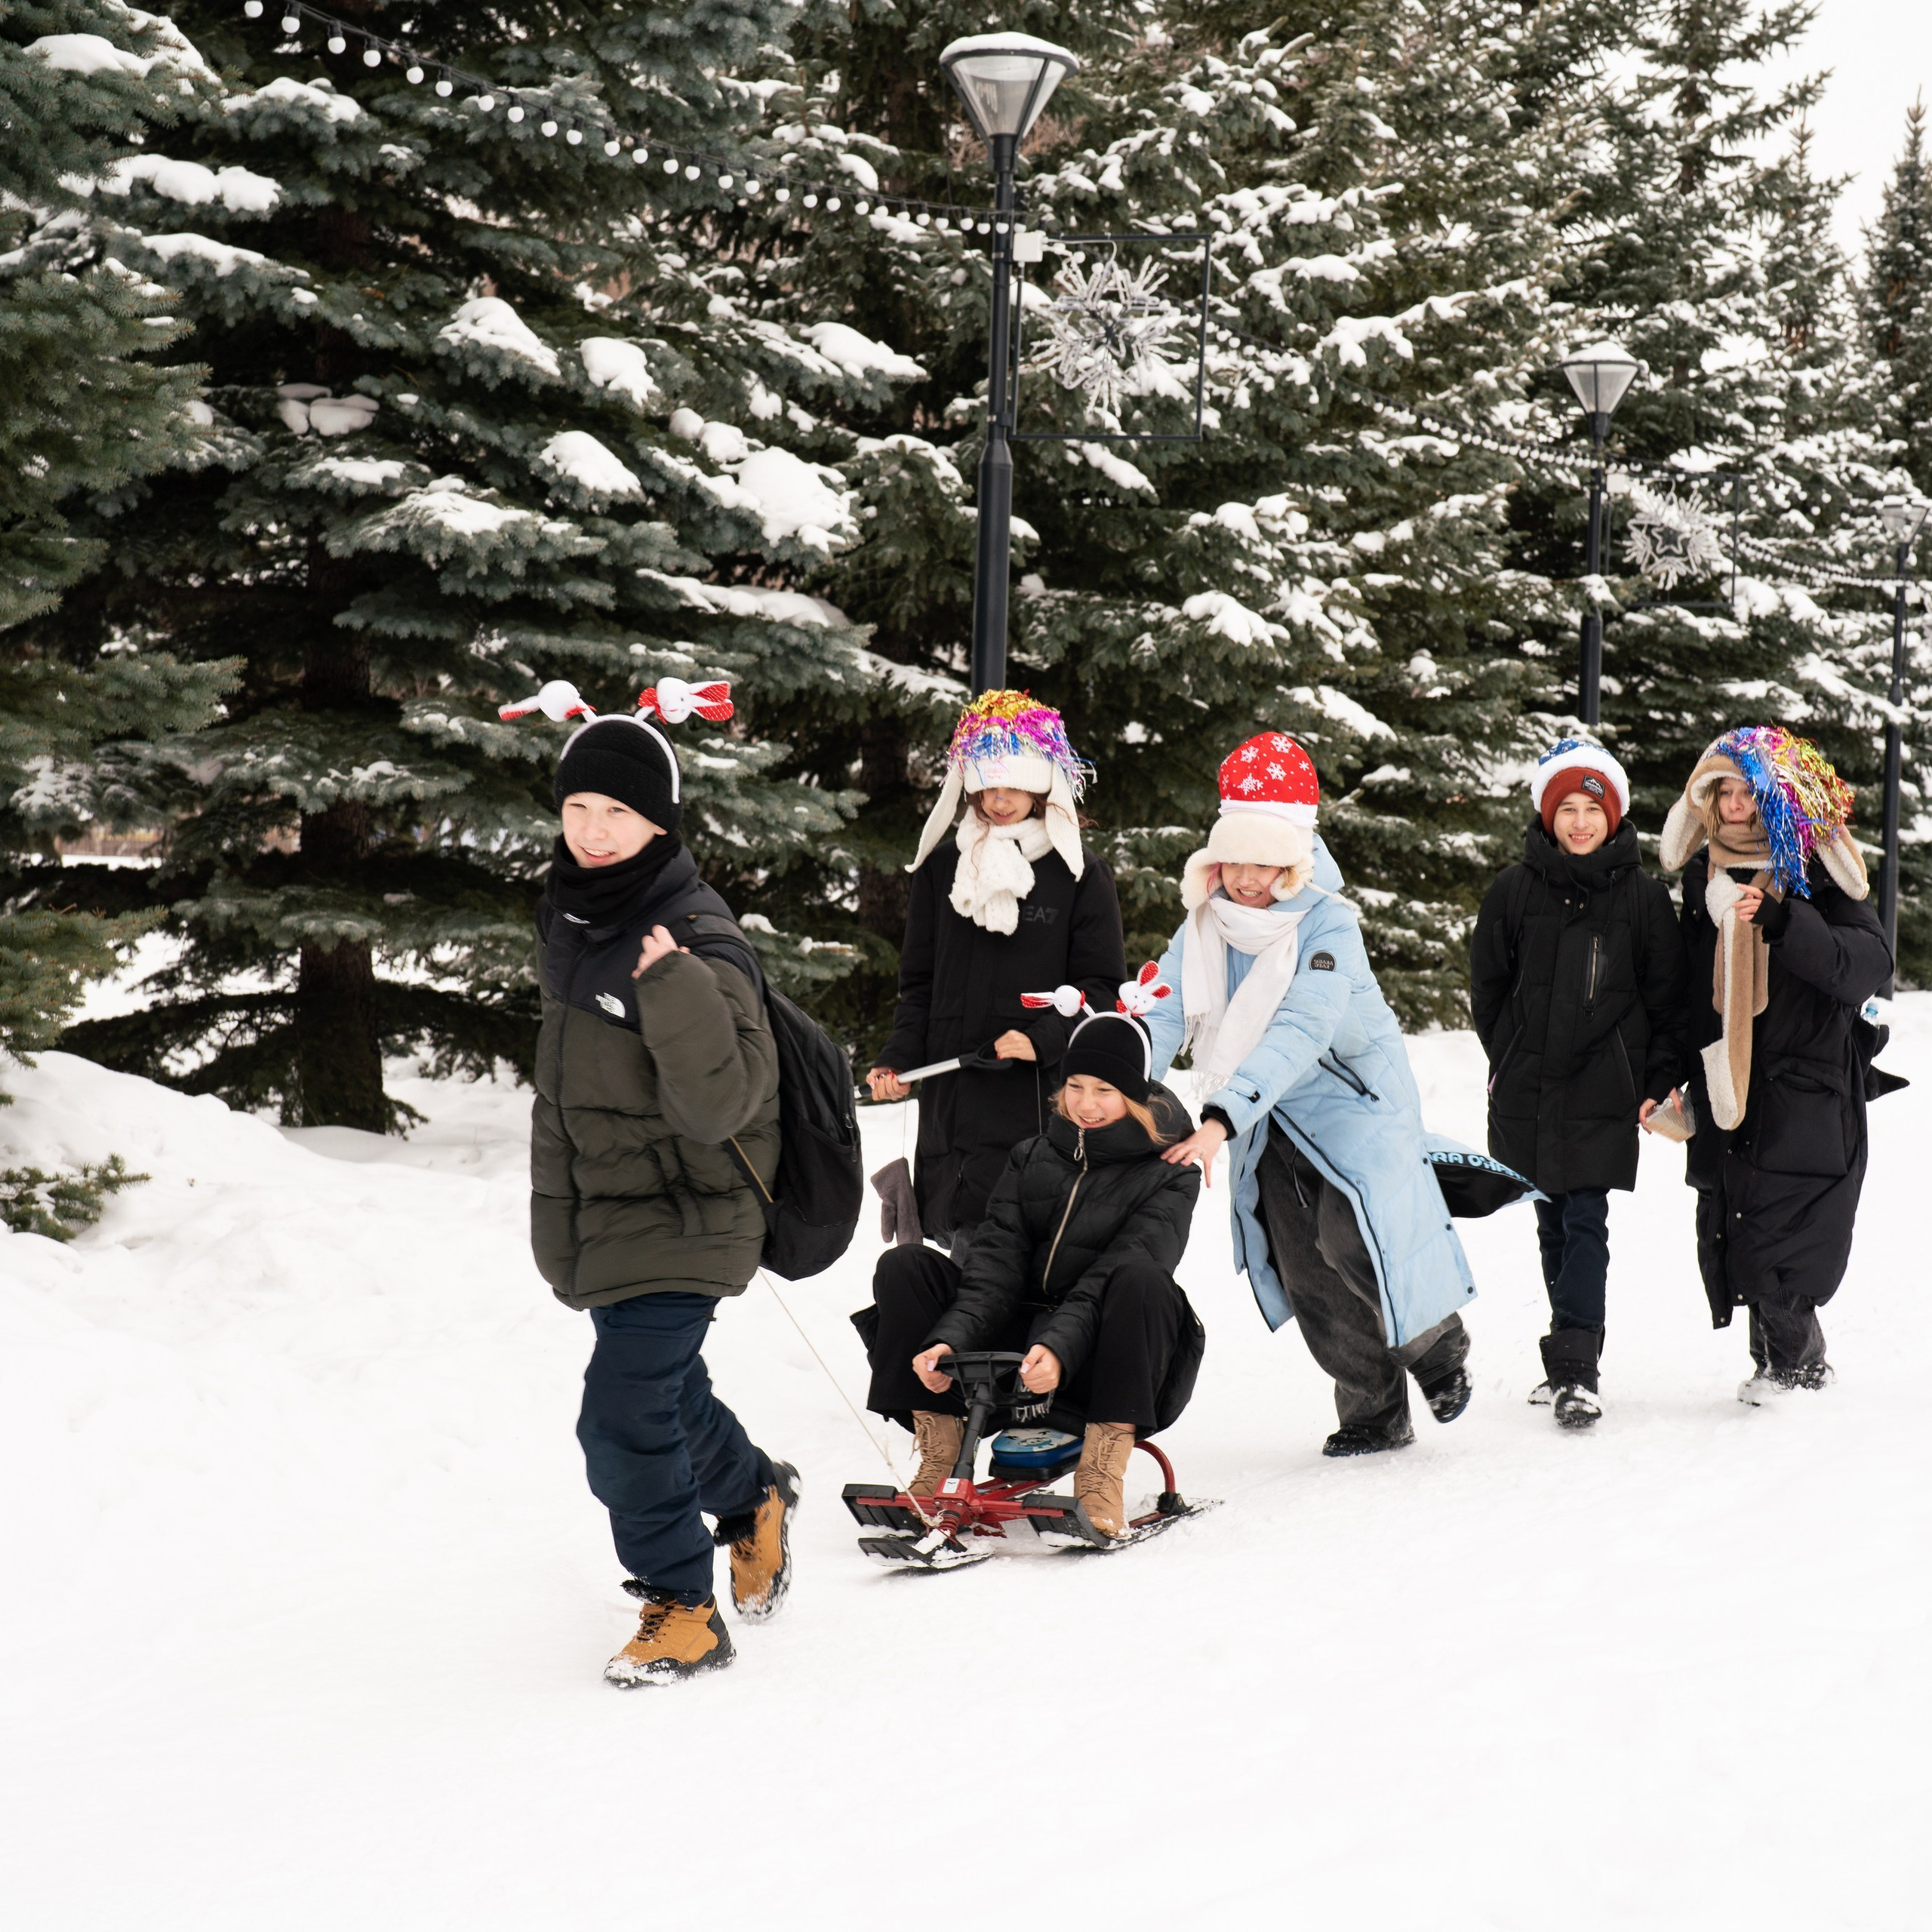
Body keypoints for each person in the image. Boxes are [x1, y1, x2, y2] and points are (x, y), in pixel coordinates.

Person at [526, 688, 798, 1687]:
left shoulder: (696, 934)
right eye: (578, 810)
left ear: (659, 825)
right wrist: (562, 1216)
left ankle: (681, 1607)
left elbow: (721, 1103)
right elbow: (571, 1087)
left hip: (694, 1206)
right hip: (613, 1211)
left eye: (620, 815)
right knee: (669, 1394)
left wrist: (676, 990)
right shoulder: (572, 913)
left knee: (623, 1407)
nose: (595, 833)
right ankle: (753, 1497)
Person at [1140, 732, 1477, 1457]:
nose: (1247, 877)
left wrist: (1222, 1116)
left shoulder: (1327, 921)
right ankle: (1373, 1412)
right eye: (1234, 858)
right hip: (1267, 1115)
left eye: (1265, 860)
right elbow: (1163, 1008)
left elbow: (1302, 1026)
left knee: (1352, 1231)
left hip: (1352, 1097)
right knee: (1305, 1267)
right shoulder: (1204, 923)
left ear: (1292, 859)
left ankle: (1438, 1346)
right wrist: (1119, 1074)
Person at [859, 1008, 1204, 1537]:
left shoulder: (1169, 1174)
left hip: (1100, 1354)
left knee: (1142, 1281)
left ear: (1135, 1096)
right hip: (1016, 1348)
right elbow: (993, 1263)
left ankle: (1100, 1473)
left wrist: (1061, 1350)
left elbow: (1118, 1269)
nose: (1086, 1104)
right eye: (1075, 1086)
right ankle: (940, 1452)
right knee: (907, 1267)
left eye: (1105, 1090)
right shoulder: (1032, 1156)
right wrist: (949, 1339)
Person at [1659, 727, 1890, 1401]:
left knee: (1783, 1227)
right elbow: (1688, 993)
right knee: (1739, 1217)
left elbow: (1866, 966)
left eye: (1748, 793)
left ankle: (1799, 1370)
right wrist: (1668, 1077)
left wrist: (1787, 923)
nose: (1735, 805)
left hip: (1806, 1082)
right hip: (1730, 1080)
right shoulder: (1706, 877)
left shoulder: (1817, 872)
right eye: (1723, 792)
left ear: (1776, 799)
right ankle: (1774, 1365)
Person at [1469, 740, 1687, 1426]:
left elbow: (1668, 999)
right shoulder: (1512, 889)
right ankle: (1571, 1354)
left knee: (1586, 1216)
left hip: (1604, 1085)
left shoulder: (1645, 899)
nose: (1581, 821)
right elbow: (1488, 986)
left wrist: (1652, 1080)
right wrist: (1505, 1055)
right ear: (1547, 814)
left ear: (1615, 816)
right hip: (1528, 1085)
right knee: (1551, 1222)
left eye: (1593, 808)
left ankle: (1575, 1371)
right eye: (1567, 808)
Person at [868, 691, 1127, 1252]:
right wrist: (899, 1060)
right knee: (958, 1262)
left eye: (1011, 785)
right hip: (951, 1118)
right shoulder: (943, 869)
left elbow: (1103, 991)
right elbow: (919, 988)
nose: (998, 799)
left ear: (1041, 784)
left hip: (1035, 1111)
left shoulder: (1079, 874)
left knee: (1016, 1264)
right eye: (985, 786)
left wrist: (1042, 1040)